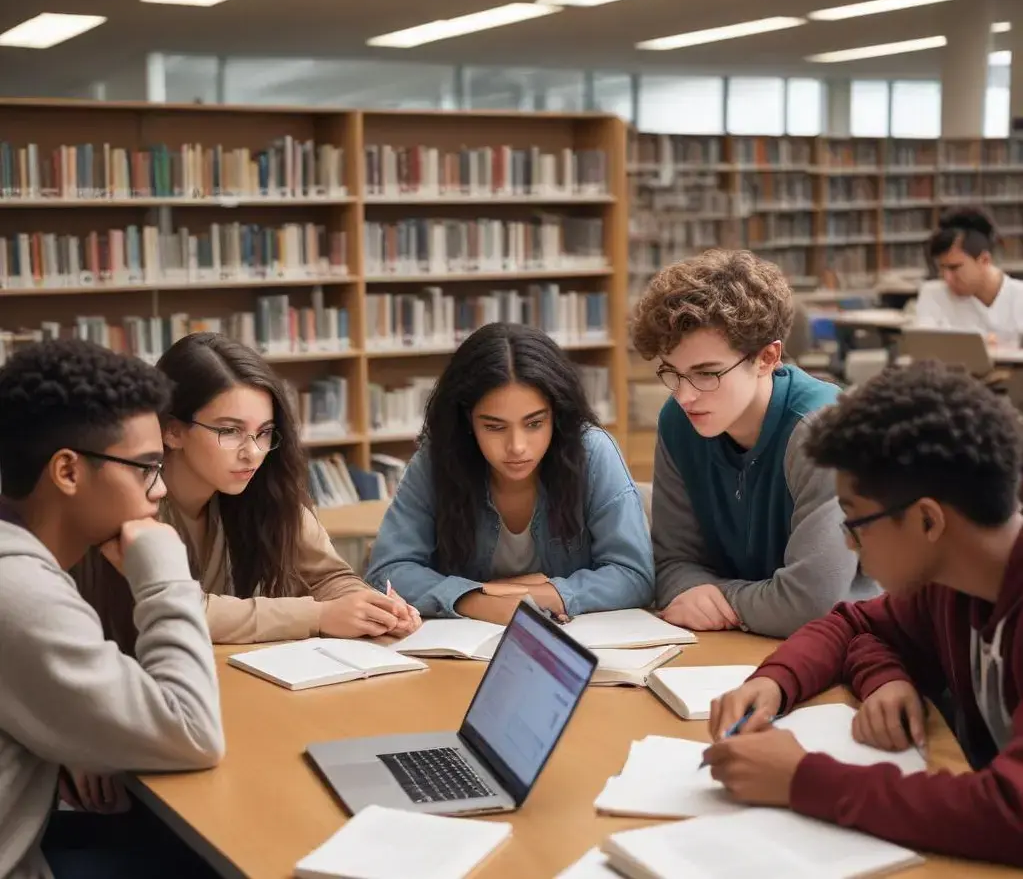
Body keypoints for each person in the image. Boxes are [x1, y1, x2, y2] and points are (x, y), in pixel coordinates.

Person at [705, 361, 1023, 867]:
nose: (849, 544)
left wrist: (802, 778)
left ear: (927, 520)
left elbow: (1011, 814)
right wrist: (777, 683)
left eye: (856, 523)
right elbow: (856, 623)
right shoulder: (953, 583)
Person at [0, 339, 225, 879]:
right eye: (145, 467)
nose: (161, 488)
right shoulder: (18, 589)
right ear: (68, 472)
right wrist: (167, 576)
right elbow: (194, 734)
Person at [77, 332, 419, 650]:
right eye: (229, 431)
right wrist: (318, 616)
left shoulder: (263, 486)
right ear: (172, 430)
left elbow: (328, 576)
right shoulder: (130, 502)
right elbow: (178, 607)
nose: (253, 452)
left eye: (265, 432)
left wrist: (373, 609)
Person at [630, 248, 874, 638]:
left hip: (850, 645)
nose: (684, 396)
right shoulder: (678, 422)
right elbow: (671, 565)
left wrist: (715, 597)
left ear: (766, 358)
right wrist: (707, 592)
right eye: (671, 373)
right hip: (738, 643)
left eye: (706, 373)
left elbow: (811, 604)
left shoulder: (824, 431)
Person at [365, 322, 654, 625]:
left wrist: (538, 596)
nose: (516, 447)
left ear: (557, 414)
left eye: (534, 424)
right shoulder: (438, 458)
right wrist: (475, 600)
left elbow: (634, 574)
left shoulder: (593, 453)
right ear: (467, 419)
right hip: (460, 653)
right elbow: (387, 571)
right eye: (494, 426)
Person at [915, 205, 1023, 347]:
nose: (947, 279)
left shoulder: (1019, 297)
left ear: (984, 260)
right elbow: (923, 349)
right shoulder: (933, 294)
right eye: (941, 269)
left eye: (954, 268)